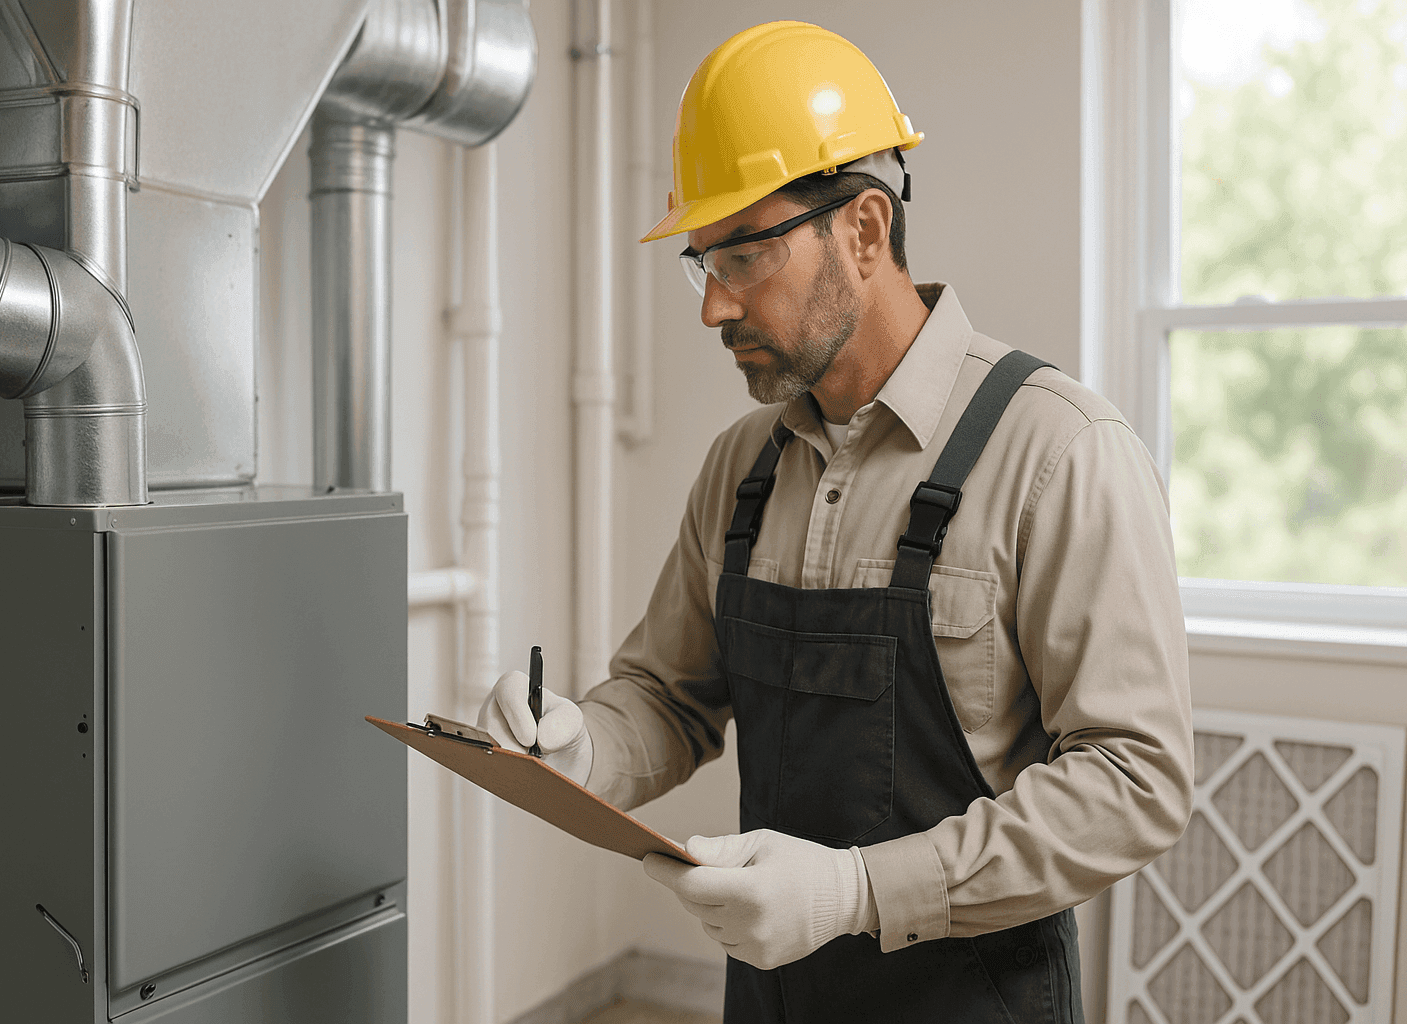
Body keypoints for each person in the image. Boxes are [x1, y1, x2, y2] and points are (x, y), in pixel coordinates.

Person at [479, 20, 1192, 1024]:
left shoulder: (1059, 451)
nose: (712, 308)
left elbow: (1136, 782)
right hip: (772, 1000)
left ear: (863, 230)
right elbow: (668, 695)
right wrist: (579, 746)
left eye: (742, 257)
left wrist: (855, 892)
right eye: (701, 263)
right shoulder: (743, 468)